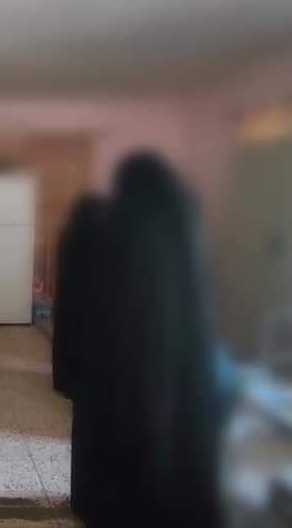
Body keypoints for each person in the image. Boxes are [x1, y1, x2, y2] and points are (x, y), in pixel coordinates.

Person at [70, 152, 224, 527]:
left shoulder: (118, 230)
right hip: (179, 373)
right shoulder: (185, 230)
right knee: (165, 452)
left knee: (118, 457)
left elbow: (96, 308)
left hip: (120, 372)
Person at [52, 195, 106, 397]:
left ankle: (62, 381)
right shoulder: (92, 236)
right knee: (78, 344)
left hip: (66, 298)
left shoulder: (69, 233)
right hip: (83, 301)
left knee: (64, 342)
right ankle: (73, 384)